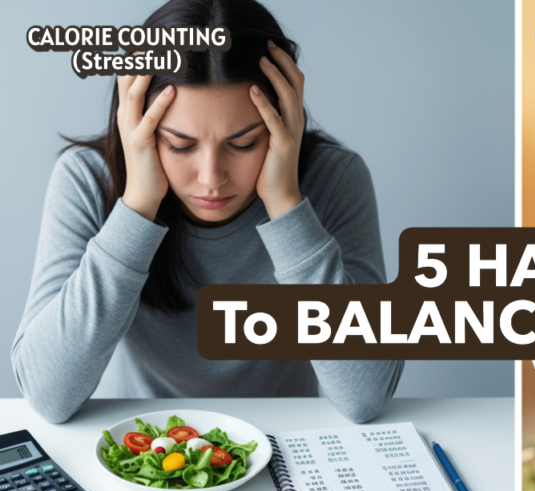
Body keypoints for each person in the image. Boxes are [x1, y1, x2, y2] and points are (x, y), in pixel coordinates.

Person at [12, 0, 403, 424]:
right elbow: (47, 396)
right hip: (141, 449)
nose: (211, 177)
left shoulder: (333, 179)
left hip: (283, 444)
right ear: (135, 123)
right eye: (180, 145)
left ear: (284, 120)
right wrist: (138, 206)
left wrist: (287, 207)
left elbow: (366, 395)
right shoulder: (88, 180)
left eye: (244, 143)